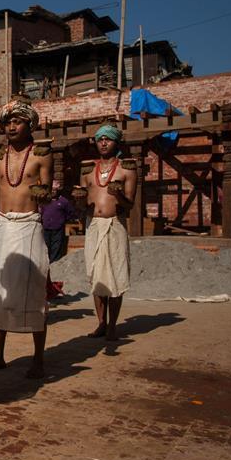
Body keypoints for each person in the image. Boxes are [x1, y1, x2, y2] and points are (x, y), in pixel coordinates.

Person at [0, 98, 51, 378]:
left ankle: (39, 359)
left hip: (30, 225)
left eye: (17, 121)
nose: (11, 126)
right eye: (7, 122)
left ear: (29, 124)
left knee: (34, 290)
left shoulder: (42, 154)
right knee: (0, 287)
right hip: (3, 226)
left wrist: (45, 194)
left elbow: (47, 191)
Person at [72, 125, 136, 341]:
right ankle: (101, 322)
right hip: (93, 225)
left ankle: (113, 325)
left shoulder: (127, 169)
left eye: (108, 139)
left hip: (115, 225)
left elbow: (130, 205)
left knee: (116, 277)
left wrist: (119, 196)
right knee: (97, 277)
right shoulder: (88, 170)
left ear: (116, 142)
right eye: (100, 140)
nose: (104, 143)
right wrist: (80, 201)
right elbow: (83, 206)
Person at [41, 179, 78, 262]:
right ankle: (45, 264)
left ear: (58, 190)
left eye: (54, 189)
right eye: (51, 189)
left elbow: (70, 212)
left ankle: (54, 265)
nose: (53, 191)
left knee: (56, 248)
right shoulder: (45, 200)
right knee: (45, 247)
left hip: (58, 229)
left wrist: (63, 220)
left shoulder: (63, 201)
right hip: (46, 228)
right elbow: (41, 211)